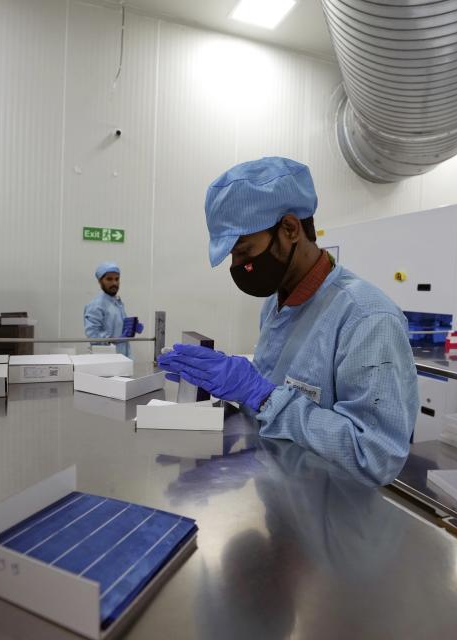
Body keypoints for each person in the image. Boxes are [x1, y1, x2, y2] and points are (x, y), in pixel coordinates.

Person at [158, 157, 418, 485]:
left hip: (334, 524)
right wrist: (234, 399)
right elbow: (274, 406)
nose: (238, 265)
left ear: (290, 229)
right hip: (282, 502)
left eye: (244, 250)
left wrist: (262, 394)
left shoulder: (366, 318)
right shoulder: (275, 305)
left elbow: (375, 455)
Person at [84, 262, 141, 357]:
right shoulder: (96, 305)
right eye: (109, 279)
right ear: (100, 281)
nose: (114, 283)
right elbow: (93, 336)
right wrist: (114, 339)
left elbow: (115, 327)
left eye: (117, 279)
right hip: (106, 359)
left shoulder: (116, 302)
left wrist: (131, 327)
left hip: (122, 356)